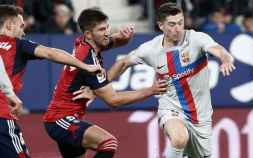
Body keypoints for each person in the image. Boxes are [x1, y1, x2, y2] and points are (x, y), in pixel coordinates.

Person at [107, 3, 235, 158]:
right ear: (161, 25)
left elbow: (219, 50)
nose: (178, 28)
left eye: (181, 23)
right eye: (172, 24)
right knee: (180, 139)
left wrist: (226, 59)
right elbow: (123, 63)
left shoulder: (196, 39)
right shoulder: (150, 49)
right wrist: (100, 86)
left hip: (201, 116)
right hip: (171, 107)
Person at [43, 7, 167, 158]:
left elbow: (111, 41)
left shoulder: (86, 43)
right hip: (60, 120)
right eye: (102, 29)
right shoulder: (87, 60)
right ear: (88, 34)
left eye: (107, 27)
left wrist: (125, 38)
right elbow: (113, 101)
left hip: (66, 118)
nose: (107, 32)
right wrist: (151, 90)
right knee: (108, 143)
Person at [0, 4, 102, 158]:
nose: (23, 31)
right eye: (21, 26)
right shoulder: (18, 44)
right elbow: (51, 53)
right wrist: (84, 65)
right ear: (9, 25)